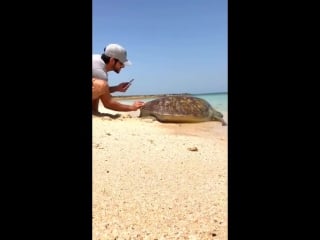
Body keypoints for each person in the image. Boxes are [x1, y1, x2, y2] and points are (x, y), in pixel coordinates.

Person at [92, 43, 145, 115]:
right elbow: (108, 103)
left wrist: (117, 88)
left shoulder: (97, 60)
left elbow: (102, 91)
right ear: (112, 60)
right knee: (101, 84)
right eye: (121, 63)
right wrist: (132, 107)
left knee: (99, 85)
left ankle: (94, 112)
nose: (123, 66)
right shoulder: (99, 72)